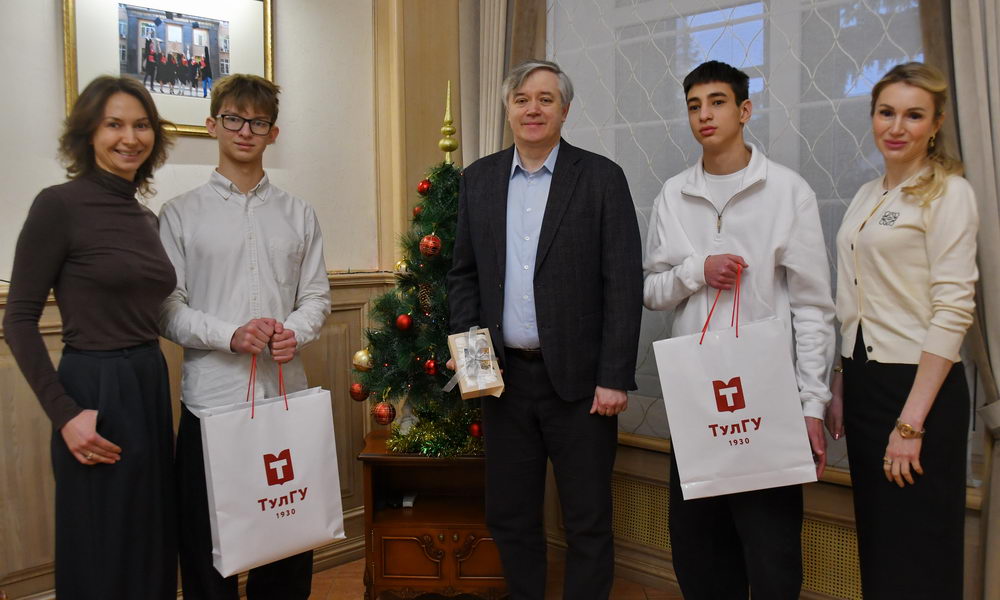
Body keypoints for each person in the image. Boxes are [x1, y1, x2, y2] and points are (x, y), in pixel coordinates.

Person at [446, 59, 643, 600]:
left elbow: (623, 283)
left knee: (587, 520)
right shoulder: (479, 179)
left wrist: (614, 376)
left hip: (582, 387)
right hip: (503, 381)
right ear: (508, 109)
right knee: (510, 515)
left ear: (565, 109)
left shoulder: (601, 178)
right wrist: (473, 360)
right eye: (521, 99)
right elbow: (463, 275)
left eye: (545, 99)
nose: (532, 109)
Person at [642, 60, 835, 600]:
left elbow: (814, 308)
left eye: (718, 102)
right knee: (699, 554)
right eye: (694, 106)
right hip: (696, 397)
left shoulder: (787, 191)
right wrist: (695, 271)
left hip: (769, 398)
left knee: (773, 557)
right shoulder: (673, 195)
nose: (704, 115)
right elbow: (652, 291)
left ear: (745, 110)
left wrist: (812, 405)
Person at [3, 75, 177, 599]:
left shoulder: (145, 217)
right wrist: (65, 414)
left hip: (148, 380)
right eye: (114, 125)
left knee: (149, 541)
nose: (130, 137)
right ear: (88, 133)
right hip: (92, 390)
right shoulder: (58, 205)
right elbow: (18, 320)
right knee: (102, 549)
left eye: (141, 125)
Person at [158, 73, 331, 600]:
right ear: (213, 125)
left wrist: (293, 332)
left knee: (287, 542)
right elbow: (167, 309)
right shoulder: (179, 214)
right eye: (233, 119)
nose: (245, 131)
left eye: (258, 122)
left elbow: (316, 298)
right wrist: (230, 335)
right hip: (211, 405)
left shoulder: (299, 213)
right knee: (208, 551)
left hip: (283, 400)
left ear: (273, 134)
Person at [826, 62, 978, 599]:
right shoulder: (869, 194)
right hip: (865, 383)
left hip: (919, 391)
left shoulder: (950, 193)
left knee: (919, 548)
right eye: (886, 112)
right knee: (881, 542)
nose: (897, 127)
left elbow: (953, 310)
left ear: (936, 124)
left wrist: (910, 426)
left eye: (914, 115)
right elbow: (857, 299)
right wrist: (842, 379)